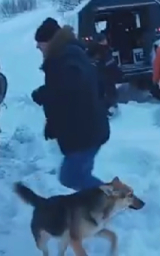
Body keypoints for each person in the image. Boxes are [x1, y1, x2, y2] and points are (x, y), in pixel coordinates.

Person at [31, 18, 110, 191]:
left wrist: (45, 93)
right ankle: (105, 200)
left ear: (49, 40)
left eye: (40, 44)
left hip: (85, 132)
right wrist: (53, 123)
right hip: (85, 129)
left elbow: (72, 82)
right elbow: (66, 93)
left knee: (71, 177)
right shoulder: (66, 54)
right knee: (79, 175)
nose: (38, 48)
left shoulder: (67, 55)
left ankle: (112, 197)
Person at [88, 33, 120, 116]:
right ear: (102, 41)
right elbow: (111, 64)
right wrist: (119, 74)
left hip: (96, 77)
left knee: (100, 95)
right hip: (106, 77)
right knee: (110, 94)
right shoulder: (104, 50)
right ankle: (108, 112)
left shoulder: (91, 51)